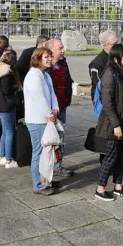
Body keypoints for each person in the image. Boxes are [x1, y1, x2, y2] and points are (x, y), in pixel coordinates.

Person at [93, 44, 123, 201]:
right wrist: (116, 124)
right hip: (113, 124)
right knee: (111, 156)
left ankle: (118, 186)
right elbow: (107, 103)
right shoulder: (109, 74)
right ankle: (100, 188)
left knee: (122, 156)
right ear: (116, 58)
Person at [23, 47, 59, 194]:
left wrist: (55, 109)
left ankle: (45, 179)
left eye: (50, 56)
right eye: (46, 57)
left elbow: (52, 94)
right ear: (38, 59)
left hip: (46, 118)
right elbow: (38, 97)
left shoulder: (45, 75)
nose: (50, 59)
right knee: (38, 152)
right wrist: (48, 113)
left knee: (46, 153)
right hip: (37, 120)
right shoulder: (33, 75)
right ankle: (37, 184)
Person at [45, 38, 74, 177]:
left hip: (62, 107)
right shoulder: (44, 67)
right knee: (49, 140)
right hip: (49, 111)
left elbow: (68, 80)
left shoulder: (63, 63)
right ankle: (47, 168)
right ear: (51, 51)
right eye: (60, 48)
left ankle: (58, 165)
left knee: (60, 139)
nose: (63, 50)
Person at [89, 30, 119, 101]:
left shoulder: (119, 57)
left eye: (117, 42)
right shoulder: (97, 64)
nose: (117, 46)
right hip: (106, 104)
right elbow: (97, 87)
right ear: (105, 46)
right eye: (114, 44)